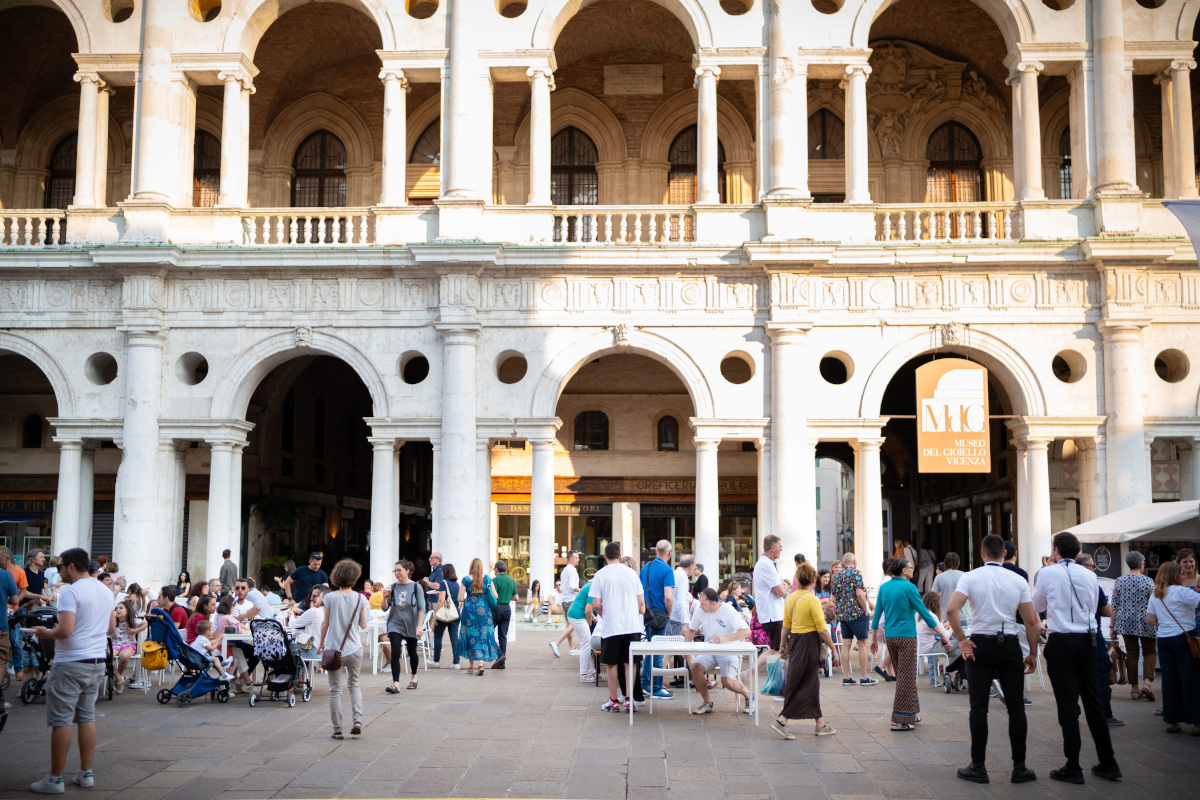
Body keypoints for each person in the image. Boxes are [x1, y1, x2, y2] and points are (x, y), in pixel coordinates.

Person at [946, 533, 1039, 785]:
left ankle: (978, 766)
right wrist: (1032, 652)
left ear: (982, 553)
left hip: (980, 643)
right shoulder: (1018, 579)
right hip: (1008, 642)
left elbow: (951, 609)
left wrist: (962, 639)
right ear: (1005, 554)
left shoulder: (970, 576)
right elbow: (1030, 620)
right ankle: (1019, 767)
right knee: (1016, 706)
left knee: (978, 707)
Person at [1032, 531, 1121, 784]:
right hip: (1088, 641)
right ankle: (1109, 762)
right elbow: (1094, 606)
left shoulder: (1047, 573)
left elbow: (1037, 605)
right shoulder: (1090, 575)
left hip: (1062, 641)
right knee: (1092, 702)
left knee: (1068, 705)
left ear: (1056, 550)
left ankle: (1073, 765)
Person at [29, 548, 115, 794]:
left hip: (71, 661)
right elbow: (110, 627)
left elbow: (65, 630)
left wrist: (44, 633)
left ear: (72, 566)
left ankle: (55, 778)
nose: (59, 572)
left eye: (60, 567)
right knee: (87, 716)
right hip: (97, 660)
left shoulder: (71, 592)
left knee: (62, 720)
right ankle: (86, 773)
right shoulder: (105, 590)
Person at [870, 558, 944, 731]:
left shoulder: (885, 587)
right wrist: (943, 635)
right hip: (907, 637)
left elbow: (877, 614)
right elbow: (924, 613)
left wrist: (874, 638)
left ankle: (911, 712)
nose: (913, 569)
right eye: (910, 567)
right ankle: (898, 719)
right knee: (906, 677)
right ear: (903, 570)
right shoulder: (910, 587)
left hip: (891, 638)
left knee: (905, 676)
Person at [772, 562, 837, 739]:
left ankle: (820, 723)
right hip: (808, 643)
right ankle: (782, 720)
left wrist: (782, 646)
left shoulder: (791, 597)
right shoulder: (812, 600)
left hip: (795, 641)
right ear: (814, 579)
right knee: (805, 683)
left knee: (809, 682)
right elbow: (822, 629)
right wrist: (834, 649)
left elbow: (785, 627)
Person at [1145, 560, 1200, 734]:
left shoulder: (1156, 594)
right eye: (1181, 573)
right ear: (1175, 575)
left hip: (1163, 639)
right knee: (1191, 680)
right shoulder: (1183, 592)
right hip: (1184, 638)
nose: (1184, 576)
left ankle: (1171, 721)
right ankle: (1197, 723)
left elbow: (1150, 620)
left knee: (1169, 681)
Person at [590, 542, 646, 712]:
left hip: (612, 625)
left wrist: (604, 614)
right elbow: (641, 602)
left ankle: (613, 700)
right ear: (620, 556)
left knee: (612, 664)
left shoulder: (600, 574)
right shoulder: (631, 573)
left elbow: (596, 603)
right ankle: (629, 699)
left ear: (605, 556)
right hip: (631, 624)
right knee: (631, 663)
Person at [684, 587, 754, 716]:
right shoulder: (701, 611)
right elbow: (691, 629)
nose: (700, 607)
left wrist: (725, 639)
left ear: (714, 603)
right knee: (696, 668)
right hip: (710, 649)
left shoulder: (728, 611)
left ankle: (749, 695)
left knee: (727, 682)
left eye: (704, 604)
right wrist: (686, 648)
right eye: (700, 603)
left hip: (730, 649)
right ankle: (707, 702)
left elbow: (747, 631)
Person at [320, 558, 368, 739]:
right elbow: (363, 625)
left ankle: (337, 729)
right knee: (354, 685)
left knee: (335, 690)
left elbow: (325, 624)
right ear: (355, 576)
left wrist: (321, 643)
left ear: (336, 576)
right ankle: (357, 721)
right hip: (354, 649)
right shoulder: (361, 598)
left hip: (334, 650)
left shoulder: (329, 597)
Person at [1076, 553, 1123, 726]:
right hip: (1091, 635)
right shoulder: (1094, 586)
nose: (1094, 568)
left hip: (1069, 636)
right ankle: (1105, 714)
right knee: (1100, 674)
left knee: (1073, 676)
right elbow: (1106, 611)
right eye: (1092, 565)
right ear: (1085, 568)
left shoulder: (1064, 585)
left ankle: (1073, 713)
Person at [1110, 551, 1157, 702]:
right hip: (1146, 620)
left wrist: (1112, 626)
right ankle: (1147, 683)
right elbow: (1155, 604)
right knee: (1149, 651)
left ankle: (1135, 689)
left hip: (1126, 621)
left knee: (1132, 653)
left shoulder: (1120, 581)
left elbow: (1115, 606)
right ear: (1141, 564)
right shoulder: (1149, 582)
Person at [830, 552, 875, 685]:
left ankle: (847, 677)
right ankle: (864, 677)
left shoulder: (836, 576)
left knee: (846, 645)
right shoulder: (856, 574)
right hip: (857, 614)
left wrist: (840, 608)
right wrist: (866, 610)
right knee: (862, 644)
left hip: (843, 616)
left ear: (843, 563)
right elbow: (860, 594)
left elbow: (832, 599)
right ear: (854, 562)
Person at [382, 560, 426, 693]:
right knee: (395, 651)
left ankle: (414, 677)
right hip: (395, 623)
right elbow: (385, 608)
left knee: (412, 652)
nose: (396, 573)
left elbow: (421, 607)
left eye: (399, 570)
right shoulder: (392, 587)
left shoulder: (415, 587)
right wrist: (384, 598)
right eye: (395, 571)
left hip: (411, 623)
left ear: (407, 571)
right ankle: (396, 684)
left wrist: (419, 626)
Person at [640, 539, 676, 699]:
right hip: (661, 614)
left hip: (647, 614)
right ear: (669, 553)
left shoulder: (645, 568)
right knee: (659, 651)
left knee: (650, 649)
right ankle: (656, 688)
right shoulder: (667, 570)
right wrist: (669, 613)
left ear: (655, 552)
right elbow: (668, 596)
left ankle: (645, 683)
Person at [456, 558, 498, 676]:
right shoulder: (487, 579)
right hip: (484, 610)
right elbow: (496, 595)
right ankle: (481, 662)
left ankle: (471, 666)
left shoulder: (466, 579)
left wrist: (467, 600)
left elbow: (459, 598)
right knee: (483, 634)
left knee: (470, 634)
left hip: (469, 611)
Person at [753, 535, 789, 672]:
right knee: (776, 650)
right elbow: (782, 592)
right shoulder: (766, 565)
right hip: (773, 614)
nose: (782, 549)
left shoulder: (768, 564)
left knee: (777, 649)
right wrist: (782, 586)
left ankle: (750, 673)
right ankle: (751, 674)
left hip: (774, 613)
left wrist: (780, 586)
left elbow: (779, 588)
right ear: (772, 548)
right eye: (780, 546)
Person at [916, 592, 956, 686]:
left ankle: (953, 678)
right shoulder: (932, 616)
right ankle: (953, 678)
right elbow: (945, 635)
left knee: (957, 651)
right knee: (960, 644)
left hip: (919, 646)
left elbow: (936, 629)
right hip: (929, 647)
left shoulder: (918, 614)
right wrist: (952, 627)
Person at [549, 551, 581, 657]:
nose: (578, 559)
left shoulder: (565, 570)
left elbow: (564, 587)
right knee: (573, 624)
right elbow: (573, 586)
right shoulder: (572, 570)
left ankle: (572, 648)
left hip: (565, 600)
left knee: (569, 625)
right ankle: (557, 643)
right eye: (576, 558)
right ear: (570, 559)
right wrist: (584, 591)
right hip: (571, 600)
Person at [432, 563, 463, 669]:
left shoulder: (443, 583)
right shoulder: (456, 584)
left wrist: (435, 615)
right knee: (454, 637)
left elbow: (441, 600)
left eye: (442, 571)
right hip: (455, 613)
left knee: (437, 636)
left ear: (445, 572)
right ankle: (456, 662)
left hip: (444, 614)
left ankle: (436, 660)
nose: (441, 572)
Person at [566, 580, 596, 682]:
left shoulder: (590, 586)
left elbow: (586, 605)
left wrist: (594, 617)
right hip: (577, 616)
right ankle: (583, 675)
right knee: (586, 644)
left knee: (587, 644)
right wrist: (590, 622)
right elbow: (588, 610)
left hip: (576, 615)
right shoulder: (593, 588)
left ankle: (592, 672)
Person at [933, 552, 970, 630]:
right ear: (958, 563)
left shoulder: (939, 578)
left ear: (945, 563)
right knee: (964, 641)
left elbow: (933, 598)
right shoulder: (966, 576)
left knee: (948, 641)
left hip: (946, 617)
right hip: (964, 617)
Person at [491, 560, 516, 668]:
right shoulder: (511, 580)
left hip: (496, 608)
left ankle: (499, 655)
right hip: (507, 608)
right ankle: (502, 664)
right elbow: (516, 597)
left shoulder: (495, 580)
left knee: (488, 633)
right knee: (503, 636)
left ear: (496, 569)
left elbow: (492, 595)